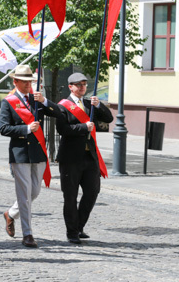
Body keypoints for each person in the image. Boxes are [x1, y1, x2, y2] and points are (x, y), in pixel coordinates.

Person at [0, 65, 62, 248]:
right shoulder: (8, 102)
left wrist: (44, 101)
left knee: (35, 191)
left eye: (30, 81)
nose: (28, 85)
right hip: (20, 153)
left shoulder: (37, 100)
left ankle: (10, 213)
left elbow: (58, 113)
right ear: (15, 82)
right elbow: (4, 128)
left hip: (38, 152)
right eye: (24, 81)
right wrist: (26, 129)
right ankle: (27, 234)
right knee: (25, 195)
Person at [56, 72, 113, 244]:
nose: (82, 87)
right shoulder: (62, 106)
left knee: (92, 192)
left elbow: (108, 118)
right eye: (78, 84)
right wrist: (83, 127)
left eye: (84, 84)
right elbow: (62, 129)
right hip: (71, 158)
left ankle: (79, 226)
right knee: (70, 196)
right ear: (70, 87)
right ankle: (72, 232)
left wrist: (100, 105)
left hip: (90, 156)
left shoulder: (90, 104)